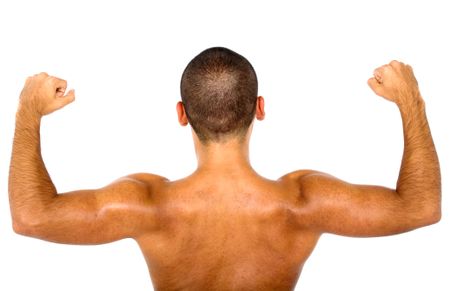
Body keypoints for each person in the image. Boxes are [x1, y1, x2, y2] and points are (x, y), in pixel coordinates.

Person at [9, 47, 441, 291]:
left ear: (182, 114)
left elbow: (32, 216)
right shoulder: (304, 203)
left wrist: (29, 110)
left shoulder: (146, 205)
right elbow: (420, 207)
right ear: (260, 109)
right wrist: (410, 100)